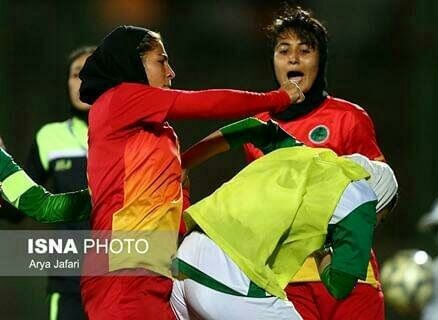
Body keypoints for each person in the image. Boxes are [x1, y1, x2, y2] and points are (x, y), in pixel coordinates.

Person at [77, 25, 303, 320]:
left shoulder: (156, 133)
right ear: (134, 62)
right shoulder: (120, 98)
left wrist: (181, 191)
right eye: (161, 61)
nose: (171, 72)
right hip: (121, 270)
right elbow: (205, 102)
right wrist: (276, 98)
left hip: (151, 270)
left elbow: (160, 205)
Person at [170, 118, 398, 319]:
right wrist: (325, 249)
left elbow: (250, 128)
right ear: (380, 200)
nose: (373, 225)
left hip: (185, 261)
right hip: (230, 276)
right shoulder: (363, 196)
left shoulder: (301, 152)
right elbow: (339, 286)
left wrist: (185, 162)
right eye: (379, 219)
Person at [242, 6, 387, 319]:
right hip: (287, 281)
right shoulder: (256, 130)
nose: (294, 58)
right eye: (284, 50)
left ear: (320, 61)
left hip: (351, 278)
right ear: (274, 61)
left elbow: (383, 192)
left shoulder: (350, 118)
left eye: (305, 50)